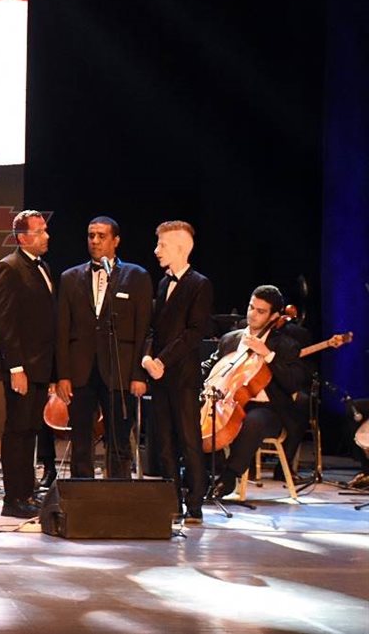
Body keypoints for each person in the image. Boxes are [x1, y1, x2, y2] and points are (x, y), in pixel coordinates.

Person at [54, 217, 152, 478]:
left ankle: (118, 493)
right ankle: (81, 493)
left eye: (101, 236)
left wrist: (138, 374)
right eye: (91, 236)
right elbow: (62, 330)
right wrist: (63, 375)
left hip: (119, 371)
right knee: (81, 440)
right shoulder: (70, 277)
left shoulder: (136, 276)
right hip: (81, 371)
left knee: (118, 440)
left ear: (116, 241)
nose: (95, 241)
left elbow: (143, 330)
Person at [142, 220, 212, 523]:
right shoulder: (162, 283)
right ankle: (172, 501)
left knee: (189, 440)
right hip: (160, 377)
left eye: (163, 245)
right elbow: (156, 328)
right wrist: (149, 357)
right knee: (164, 442)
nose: (156, 250)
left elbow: (193, 333)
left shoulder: (200, 284)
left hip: (182, 376)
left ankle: (195, 502)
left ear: (181, 249)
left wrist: (163, 360)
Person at [207, 286, 306, 499]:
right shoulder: (231, 339)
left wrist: (268, 355)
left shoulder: (286, 345)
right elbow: (211, 367)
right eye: (251, 307)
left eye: (260, 311)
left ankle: (228, 477)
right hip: (230, 403)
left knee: (253, 421)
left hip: (270, 410)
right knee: (199, 415)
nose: (252, 314)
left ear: (274, 316)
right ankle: (200, 474)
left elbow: (293, 383)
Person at [0, 209, 56, 519]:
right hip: (22, 368)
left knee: (30, 431)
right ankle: (13, 498)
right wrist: (16, 368)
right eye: (40, 231)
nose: (46, 236)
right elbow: (4, 323)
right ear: (22, 238)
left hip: (40, 366)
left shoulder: (42, 267)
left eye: (45, 230)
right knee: (17, 431)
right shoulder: (9, 268)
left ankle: (26, 493)